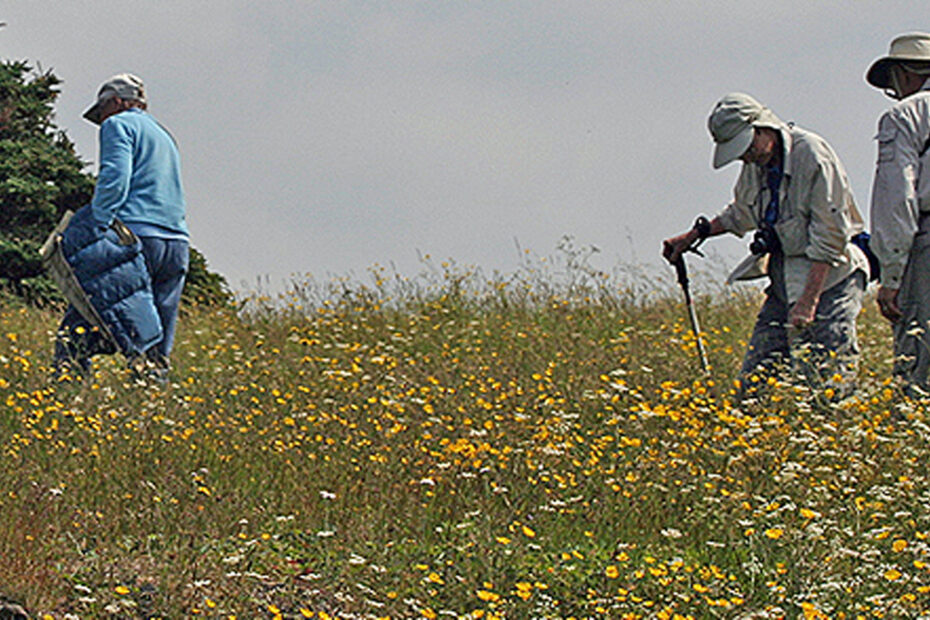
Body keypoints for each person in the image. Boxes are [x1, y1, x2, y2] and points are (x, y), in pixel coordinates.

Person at [663, 93, 869, 399]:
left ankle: (841, 431)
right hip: (786, 277)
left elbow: (830, 235)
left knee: (830, 382)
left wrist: (809, 301)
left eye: (746, 147)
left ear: (762, 128)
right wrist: (696, 234)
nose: (744, 157)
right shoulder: (757, 162)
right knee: (755, 384)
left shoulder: (812, 155)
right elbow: (743, 213)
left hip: (831, 281)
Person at [54, 74, 189, 380]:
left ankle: (66, 397)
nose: (101, 120)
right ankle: (151, 398)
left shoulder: (118, 125)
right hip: (176, 241)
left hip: (134, 237)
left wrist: (97, 223)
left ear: (115, 102)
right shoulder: (163, 134)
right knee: (155, 340)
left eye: (101, 112)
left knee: (84, 319)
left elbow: (115, 177)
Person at [866, 32, 930, 396]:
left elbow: (897, 199)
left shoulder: (904, 115)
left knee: (918, 361)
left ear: (904, 74)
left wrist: (891, 276)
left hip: (925, 247)